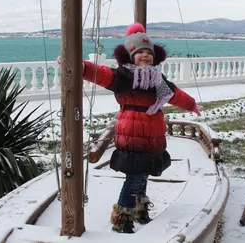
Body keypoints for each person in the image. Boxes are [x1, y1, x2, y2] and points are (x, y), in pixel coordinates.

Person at [81, 23, 201, 233]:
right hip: (132, 133)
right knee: (135, 176)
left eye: (148, 53)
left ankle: (139, 208)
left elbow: (175, 94)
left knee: (143, 172)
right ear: (130, 55)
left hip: (152, 134)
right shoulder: (124, 76)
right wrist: (82, 67)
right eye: (139, 52)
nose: (145, 56)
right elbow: (102, 73)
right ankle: (122, 217)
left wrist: (191, 105)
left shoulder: (158, 80)